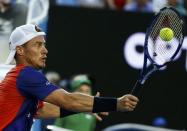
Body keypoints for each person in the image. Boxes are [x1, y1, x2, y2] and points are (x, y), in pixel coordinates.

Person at [0, 24, 139, 131]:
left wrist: (89, 107)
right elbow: (68, 100)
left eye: (44, 45)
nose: (45, 50)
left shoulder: (19, 78)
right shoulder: (26, 75)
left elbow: (44, 110)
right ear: (20, 50)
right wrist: (116, 104)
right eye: (38, 45)